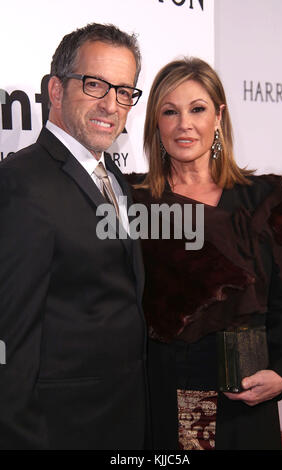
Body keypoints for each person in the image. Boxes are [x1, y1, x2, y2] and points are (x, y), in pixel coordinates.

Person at [127, 57, 282, 450]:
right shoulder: (133, 201)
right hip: (170, 394)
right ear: (156, 122)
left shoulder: (266, 196)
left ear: (219, 116)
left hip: (247, 394)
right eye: (170, 111)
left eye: (197, 109)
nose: (184, 124)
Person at [0, 23, 148, 450]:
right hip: (61, 430)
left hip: (122, 420)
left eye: (124, 91)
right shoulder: (21, 184)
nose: (111, 103)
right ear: (56, 90)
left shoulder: (116, 178)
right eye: (95, 84)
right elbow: (10, 342)